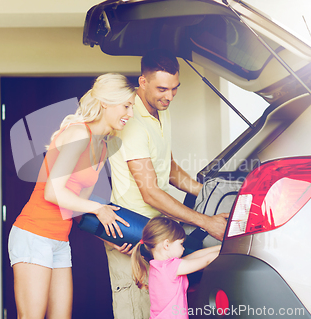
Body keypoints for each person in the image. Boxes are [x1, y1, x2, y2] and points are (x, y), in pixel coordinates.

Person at [105, 49, 228, 318]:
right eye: (162, 89)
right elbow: (150, 192)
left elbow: (167, 167)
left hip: (155, 231)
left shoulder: (162, 110)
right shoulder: (132, 122)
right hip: (130, 230)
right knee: (134, 308)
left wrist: (204, 192)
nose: (169, 96)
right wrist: (206, 222)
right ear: (143, 82)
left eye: (175, 89)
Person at [8, 73, 135, 319]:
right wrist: (99, 208)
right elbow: (53, 192)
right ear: (107, 102)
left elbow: (76, 208)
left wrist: (105, 237)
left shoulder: (103, 146)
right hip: (34, 235)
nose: (130, 114)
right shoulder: (79, 133)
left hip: (59, 241)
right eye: (126, 106)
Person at [131, 216, 221, 319]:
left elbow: (196, 255)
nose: (183, 248)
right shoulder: (172, 267)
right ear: (167, 245)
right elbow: (206, 260)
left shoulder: (157, 266)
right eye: (181, 243)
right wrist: (230, 250)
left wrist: (220, 248)